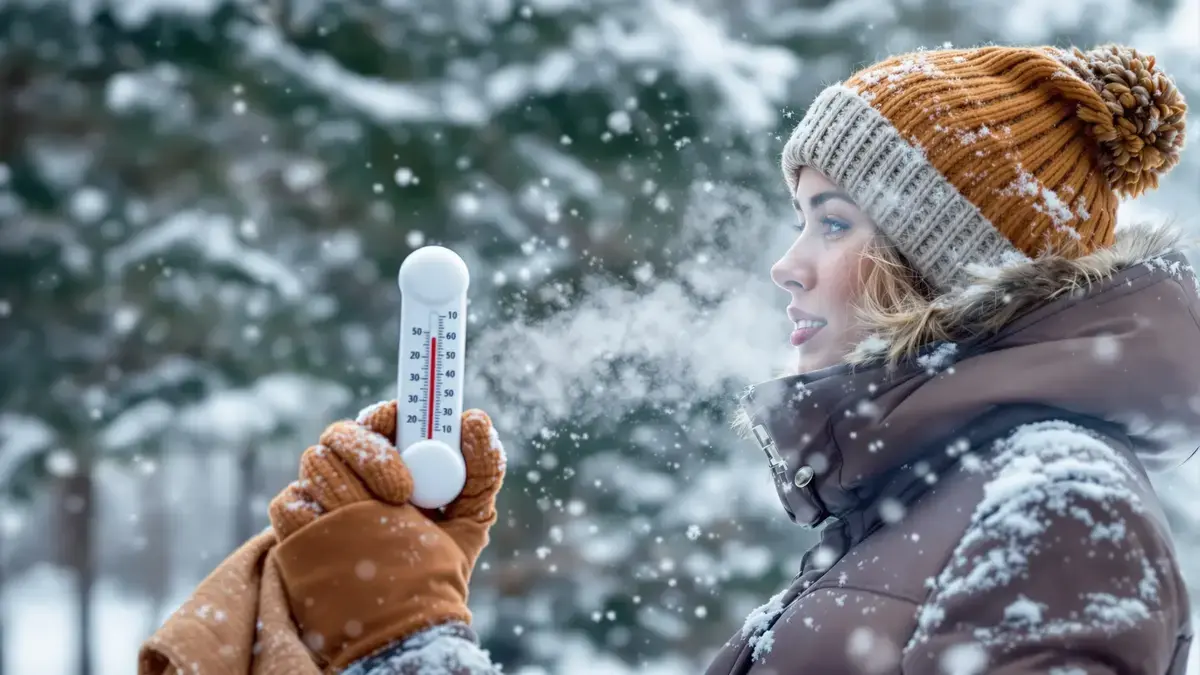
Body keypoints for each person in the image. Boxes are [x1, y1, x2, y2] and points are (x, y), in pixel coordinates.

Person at [141, 42, 1200, 675]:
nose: (788, 265)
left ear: (946, 260)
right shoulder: (921, 513)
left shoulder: (1058, 511)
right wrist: (417, 599)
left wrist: (407, 646)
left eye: (833, 221)